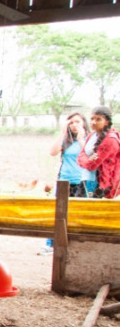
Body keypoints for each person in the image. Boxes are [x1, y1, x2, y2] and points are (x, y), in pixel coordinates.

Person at [40, 112, 89, 255]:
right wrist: (62, 132)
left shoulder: (87, 140)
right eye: (71, 122)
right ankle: (50, 244)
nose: (74, 125)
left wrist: (81, 138)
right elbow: (53, 152)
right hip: (64, 181)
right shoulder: (66, 140)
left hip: (81, 181)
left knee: (77, 212)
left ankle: (75, 244)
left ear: (84, 123)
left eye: (78, 122)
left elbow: (89, 154)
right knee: (58, 212)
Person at [78, 106, 120, 199]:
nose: (93, 122)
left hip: (101, 183)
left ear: (107, 122)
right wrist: (87, 160)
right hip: (86, 178)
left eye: (98, 119)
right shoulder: (92, 135)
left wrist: (85, 160)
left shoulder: (111, 139)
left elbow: (92, 165)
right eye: (92, 119)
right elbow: (80, 156)